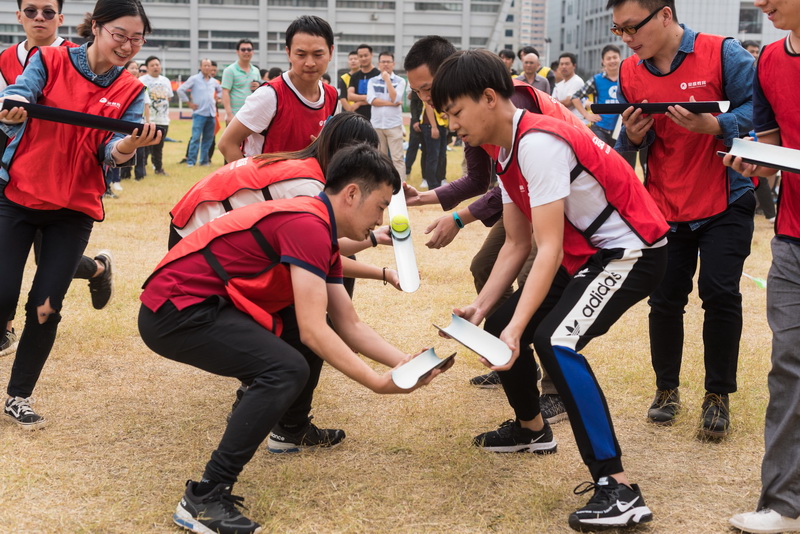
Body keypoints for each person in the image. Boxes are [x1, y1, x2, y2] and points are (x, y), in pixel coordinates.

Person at [139, 143, 450, 533]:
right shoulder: (307, 224)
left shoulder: (319, 227)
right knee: (286, 368)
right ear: (352, 194)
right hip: (175, 310)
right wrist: (376, 383)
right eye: (381, 205)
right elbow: (314, 330)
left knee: (295, 354)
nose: (382, 218)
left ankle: (289, 430)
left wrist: (401, 363)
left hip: (201, 304)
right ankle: (205, 497)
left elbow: (348, 324)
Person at [432, 49, 669, 531]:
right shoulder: (505, 149)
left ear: (489, 98)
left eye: (456, 112)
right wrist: (483, 307)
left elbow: (547, 247)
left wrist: (521, 328)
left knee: (554, 341)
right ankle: (531, 430)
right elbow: (517, 242)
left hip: (631, 251)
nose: (452, 125)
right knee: (497, 322)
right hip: (588, 253)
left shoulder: (537, 144)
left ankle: (618, 488)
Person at [404, 35, 586, 420]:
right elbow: (481, 179)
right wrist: (423, 198)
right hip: (523, 197)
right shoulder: (466, 112)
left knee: (536, 290)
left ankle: (554, 388)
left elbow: (521, 176)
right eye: (418, 93)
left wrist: (458, 217)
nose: (427, 101)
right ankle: (515, 359)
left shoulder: (504, 107)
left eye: (426, 90)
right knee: (486, 266)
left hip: (559, 200)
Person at [0, 0, 160, 429]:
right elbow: (19, 94)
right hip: (19, 196)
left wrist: (128, 145)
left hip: (73, 209)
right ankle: (94, 270)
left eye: (137, 39)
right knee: (2, 293)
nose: (128, 45)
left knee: (45, 306)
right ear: (96, 27)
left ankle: (19, 396)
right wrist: (14, 104)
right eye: (119, 35)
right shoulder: (49, 58)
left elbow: (111, 152)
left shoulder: (132, 90)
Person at [609, 0, 756, 438]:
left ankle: (717, 397)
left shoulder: (723, 52)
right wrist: (632, 137)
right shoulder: (630, 73)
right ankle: (666, 390)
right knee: (666, 299)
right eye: (620, 31)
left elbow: (760, 112)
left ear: (666, 15)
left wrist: (718, 125)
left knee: (720, 294)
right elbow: (626, 146)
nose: (628, 39)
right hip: (664, 207)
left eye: (632, 27)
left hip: (725, 198)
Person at [0, 0, 116, 361]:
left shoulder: (76, 58)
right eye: (31, 11)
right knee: (11, 256)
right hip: (11, 171)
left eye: (48, 12)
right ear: (18, 16)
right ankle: (5, 328)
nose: (39, 18)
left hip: (58, 180)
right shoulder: (5, 60)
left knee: (43, 255)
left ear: (61, 18)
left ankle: (97, 268)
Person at [725, 2, 800, 532]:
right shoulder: (770, 58)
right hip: (793, 237)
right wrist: (755, 157)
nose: (760, 3)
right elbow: (773, 140)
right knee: (789, 367)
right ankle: (785, 504)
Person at [218, 16, 338, 162]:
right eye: (301, 55)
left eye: (318, 54)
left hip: (310, 182)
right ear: (288, 53)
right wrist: (252, 184)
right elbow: (227, 143)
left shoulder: (331, 95)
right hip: (268, 182)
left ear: (331, 52)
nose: (310, 63)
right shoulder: (270, 95)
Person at [570, 44, 637, 168]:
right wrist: (586, 115)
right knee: (602, 163)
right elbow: (575, 97)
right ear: (603, 62)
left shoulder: (628, 78)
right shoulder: (596, 80)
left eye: (614, 57)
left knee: (625, 167)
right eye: (608, 58)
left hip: (624, 130)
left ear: (620, 58)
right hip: (601, 129)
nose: (612, 61)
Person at [366, 51, 406, 180]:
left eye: (388, 62)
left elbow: (395, 98)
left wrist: (387, 80)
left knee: (397, 158)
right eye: (383, 62)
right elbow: (372, 101)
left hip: (393, 124)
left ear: (393, 64)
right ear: (378, 64)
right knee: (379, 158)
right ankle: (381, 184)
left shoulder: (400, 81)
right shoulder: (372, 81)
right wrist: (391, 103)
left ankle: (401, 186)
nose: (385, 64)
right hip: (377, 124)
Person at [177, 58, 222, 167]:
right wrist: (189, 103)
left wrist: (218, 98)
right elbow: (180, 90)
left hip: (211, 114)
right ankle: (191, 162)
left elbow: (221, 91)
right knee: (195, 138)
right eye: (205, 65)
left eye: (209, 66)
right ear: (200, 67)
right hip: (199, 114)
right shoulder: (194, 79)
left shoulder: (214, 81)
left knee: (208, 139)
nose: (207, 68)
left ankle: (204, 161)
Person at [139, 55, 172, 175]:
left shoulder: (165, 80)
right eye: (152, 65)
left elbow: (168, 97)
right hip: (148, 119)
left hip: (163, 119)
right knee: (145, 146)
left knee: (159, 146)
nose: (155, 67)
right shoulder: (142, 80)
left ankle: (158, 168)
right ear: (147, 68)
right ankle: (142, 169)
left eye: (157, 65)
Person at [120, 59, 149, 182]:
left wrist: (147, 121)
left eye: (137, 68)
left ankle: (140, 175)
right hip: (124, 123)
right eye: (132, 67)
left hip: (139, 122)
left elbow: (146, 104)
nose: (136, 70)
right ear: (125, 69)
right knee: (124, 147)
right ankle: (124, 174)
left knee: (140, 150)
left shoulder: (141, 86)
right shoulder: (119, 84)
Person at [221, 39, 260, 125]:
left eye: (249, 49)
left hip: (252, 116)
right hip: (235, 116)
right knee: (233, 139)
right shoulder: (229, 70)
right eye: (243, 49)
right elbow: (225, 92)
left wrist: (258, 87)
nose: (246, 52)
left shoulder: (256, 71)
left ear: (253, 52)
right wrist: (229, 114)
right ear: (237, 52)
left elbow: (259, 92)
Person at [346, 44, 380, 120]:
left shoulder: (378, 75)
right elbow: (350, 96)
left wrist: (359, 102)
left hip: (376, 117)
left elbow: (380, 98)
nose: (363, 58)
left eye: (366, 55)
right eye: (360, 56)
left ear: (371, 55)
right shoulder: (355, 76)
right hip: (358, 117)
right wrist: (369, 98)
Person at [552, 52, 586, 124]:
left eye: (567, 64)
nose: (564, 66)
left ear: (574, 66)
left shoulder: (577, 81)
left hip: (575, 122)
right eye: (561, 64)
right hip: (561, 121)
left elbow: (568, 102)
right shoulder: (558, 85)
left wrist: (555, 102)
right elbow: (552, 102)